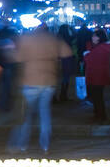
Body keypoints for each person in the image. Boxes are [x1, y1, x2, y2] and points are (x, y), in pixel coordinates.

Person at [8, 25, 70, 153]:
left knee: (26, 115)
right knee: (45, 114)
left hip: (31, 81)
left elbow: (17, 58)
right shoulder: (53, 38)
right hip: (49, 81)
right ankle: (45, 145)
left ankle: (22, 144)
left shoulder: (27, 38)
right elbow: (67, 52)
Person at [82, 30, 110, 124]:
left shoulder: (101, 48)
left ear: (100, 38)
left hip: (97, 76)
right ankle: (99, 115)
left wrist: (86, 54)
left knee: (98, 97)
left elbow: (89, 59)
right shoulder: (103, 47)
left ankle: (100, 115)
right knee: (97, 96)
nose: (92, 38)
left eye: (95, 36)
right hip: (99, 75)